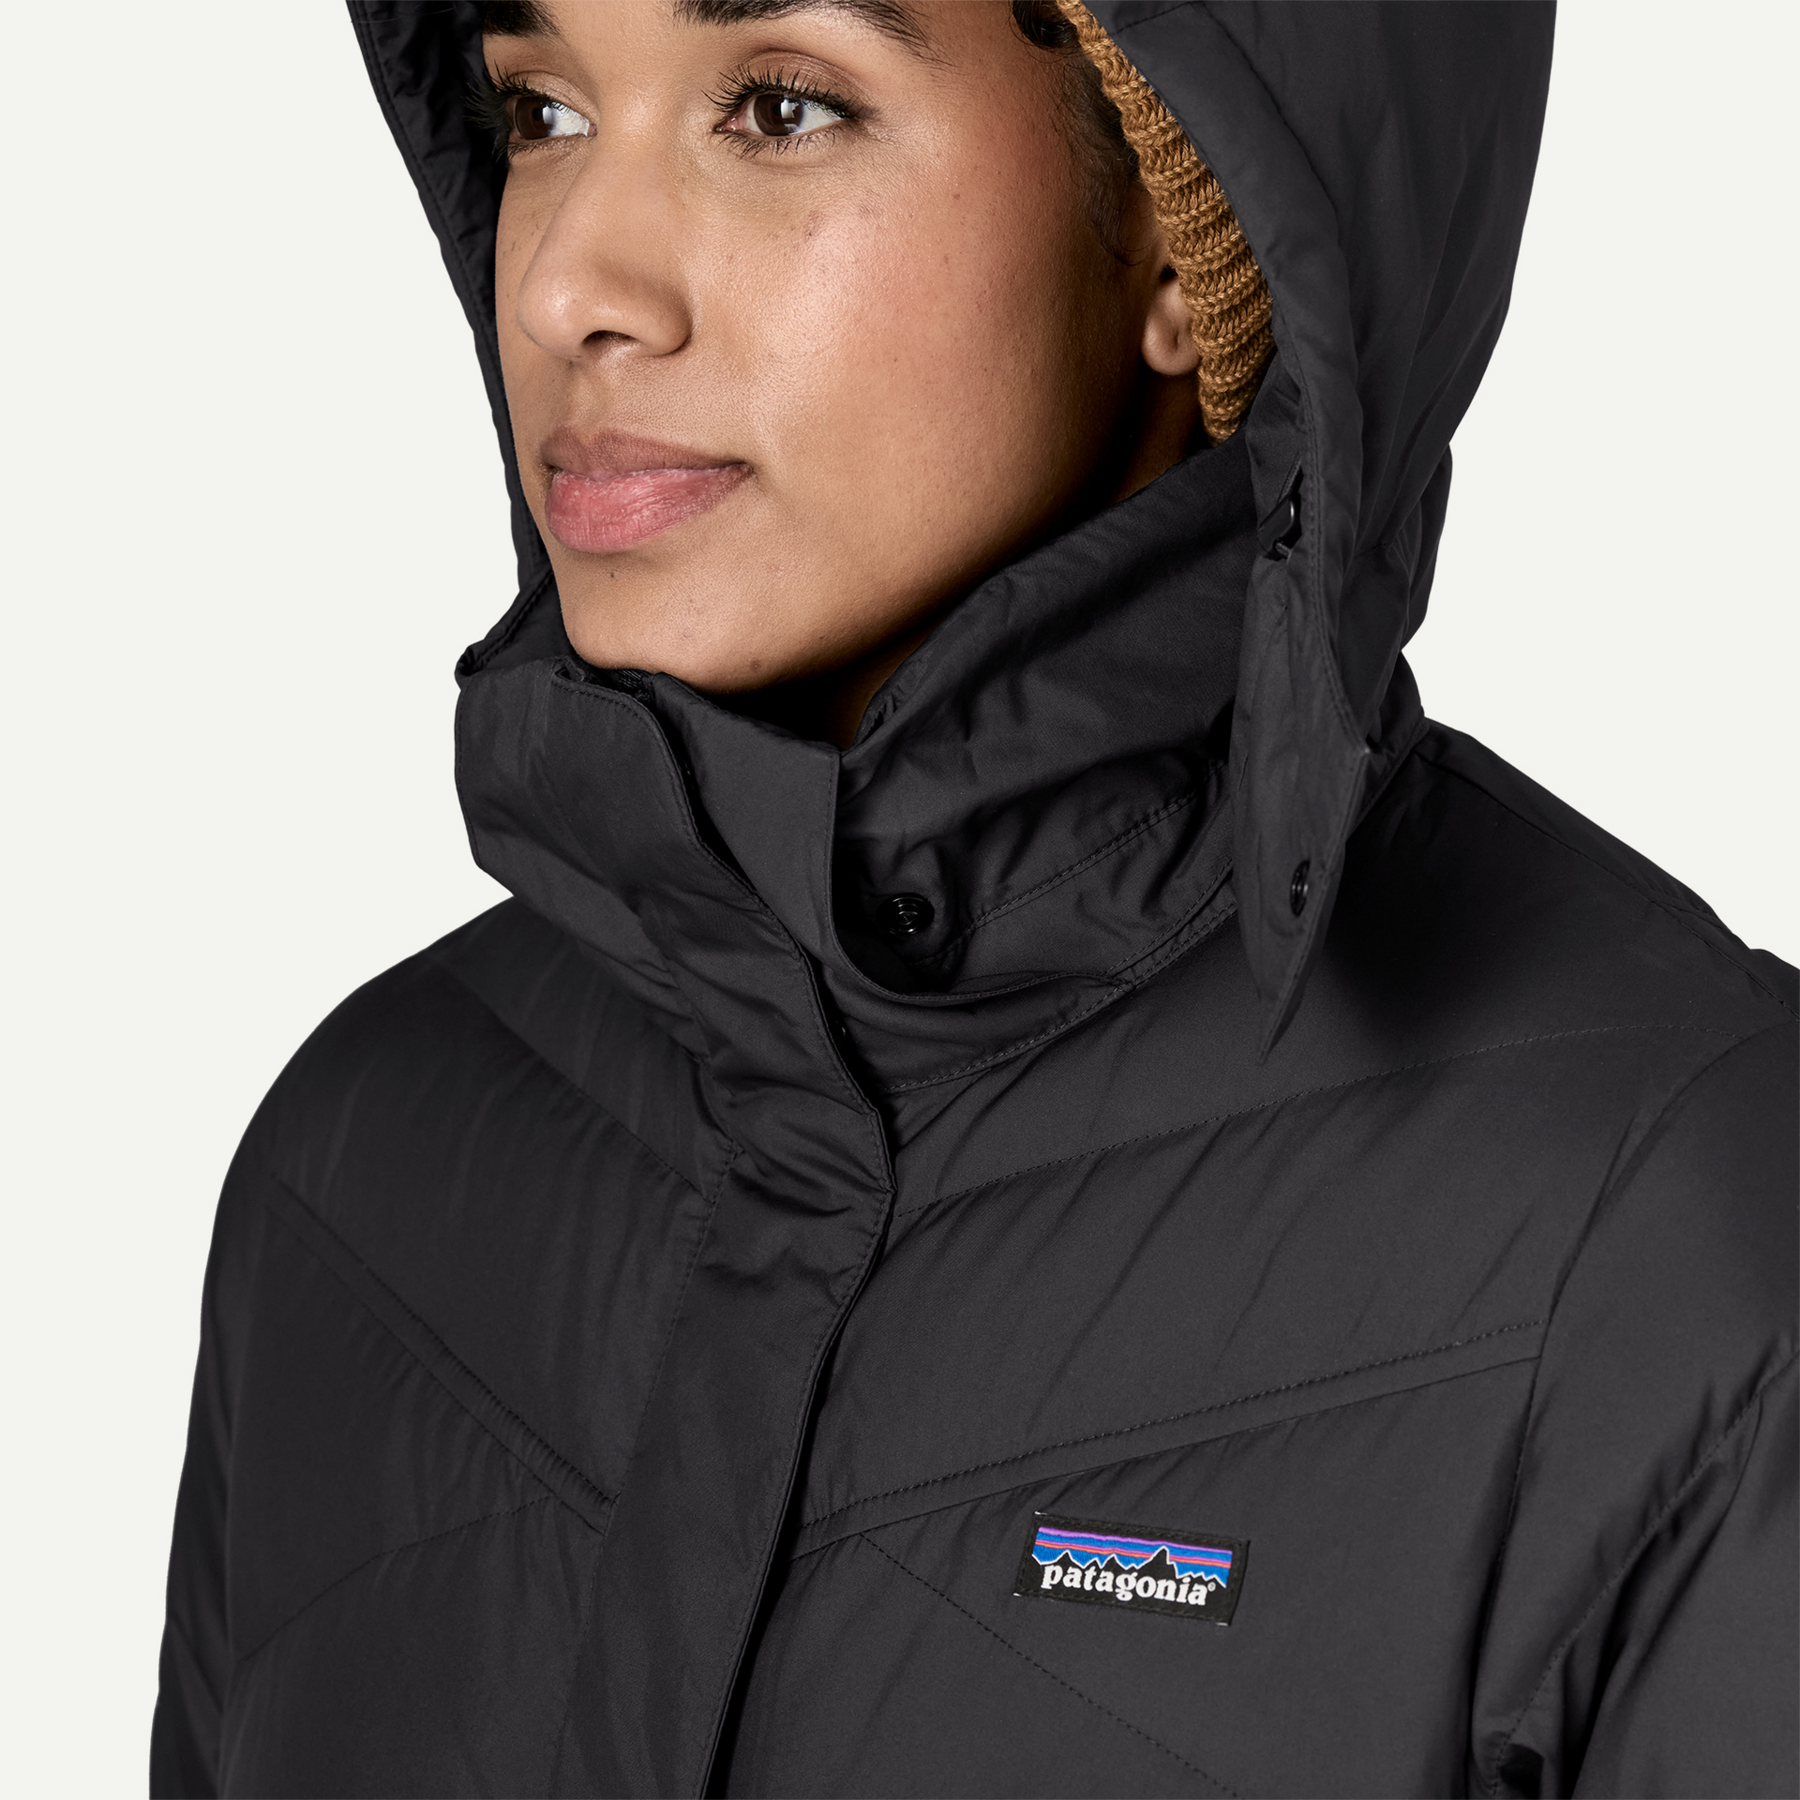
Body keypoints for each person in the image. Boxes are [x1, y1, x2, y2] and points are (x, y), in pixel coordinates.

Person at [151, 2, 1798, 1795]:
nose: (562, 292)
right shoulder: (360, 1173)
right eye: (541, 111)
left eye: (780, 108)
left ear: (1188, 223)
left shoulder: (1669, 1236)